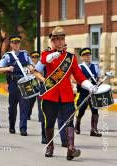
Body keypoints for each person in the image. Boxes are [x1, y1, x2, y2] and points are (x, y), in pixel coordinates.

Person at [40, 26, 97, 160]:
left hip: (66, 96)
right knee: (50, 122)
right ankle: (50, 146)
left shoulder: (71, 58)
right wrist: (53, 54)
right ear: (52, 41)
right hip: (50, 95)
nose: (60, 42)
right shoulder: (47, 54)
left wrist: (90, 86)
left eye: (62, 39)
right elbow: (44, 61)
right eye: (57, 39)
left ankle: (71, 148)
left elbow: (79, 76)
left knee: (69, 122)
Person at [0, 35, 34, 136]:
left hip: (24, 83)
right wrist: (7, 69)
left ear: (20, 43)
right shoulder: (7, 56)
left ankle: (23, 128)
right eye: (14, 43)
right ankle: (12, 125)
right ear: (11, 44)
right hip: (13, 83)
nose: (16, 44)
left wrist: (31, 67)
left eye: (18, 42)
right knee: (12, 107)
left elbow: (31, 65)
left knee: (24, 106)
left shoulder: (25, 54)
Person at [75, 47, 102, 137]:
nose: (87, 57)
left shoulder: (95, 66)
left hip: (94, 92)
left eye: (89, 55)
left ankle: (93, 130)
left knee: (95, 110)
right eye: (85, 55)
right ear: (81, 57)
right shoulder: (79, 67)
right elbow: (77, 79)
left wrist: (99, 82)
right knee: (81, 110)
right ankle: (77, 125)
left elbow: (98, 77)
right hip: (83, 92)